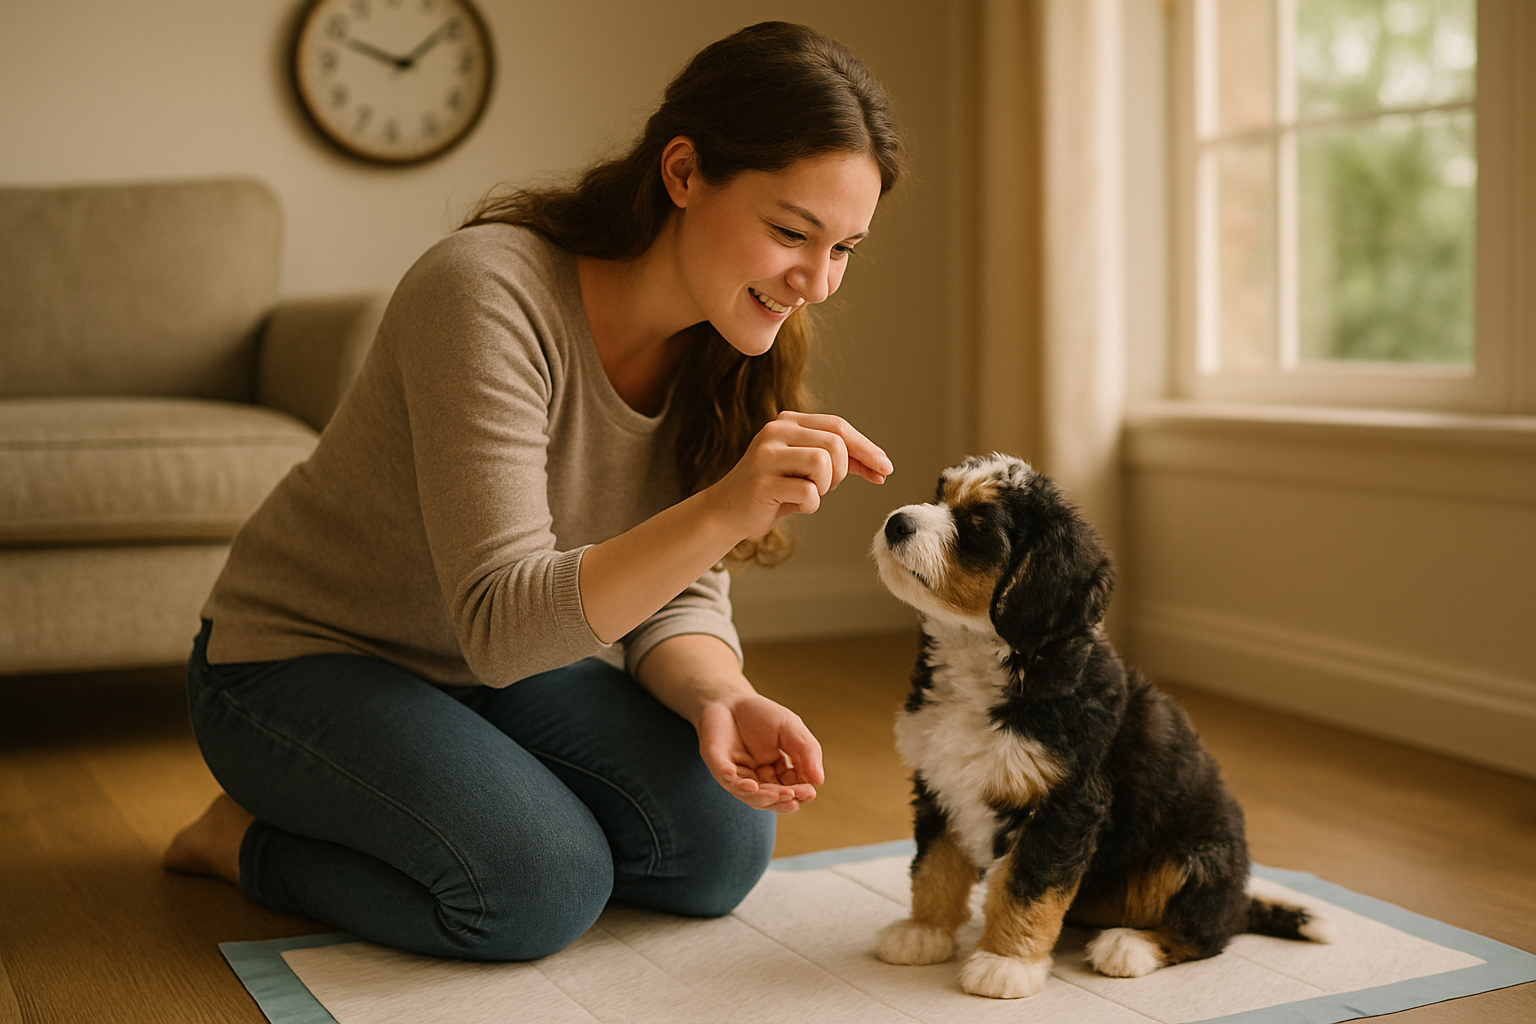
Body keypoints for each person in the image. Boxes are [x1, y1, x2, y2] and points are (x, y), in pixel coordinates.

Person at [162, 21, 905, 962]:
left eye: (844, 248)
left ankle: (436, 789)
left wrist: (721, 695)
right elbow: (503, 621)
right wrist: (725, 506)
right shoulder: (485, 293)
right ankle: (243, 841)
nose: (818, 282)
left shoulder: (730, 340)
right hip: (298, 664)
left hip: (488, 674)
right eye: (792, 233)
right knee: (537, 887)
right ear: (682, 173)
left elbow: (677, 591)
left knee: (721, 850)